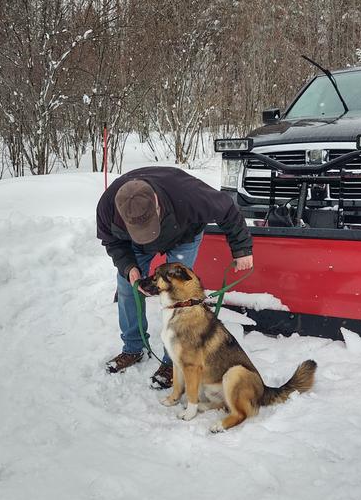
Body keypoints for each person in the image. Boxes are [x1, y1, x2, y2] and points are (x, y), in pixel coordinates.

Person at [96, 166, 253, 389]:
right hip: (135, 246)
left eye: (148, 223)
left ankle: (173, 361)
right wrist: (129, 267)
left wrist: (242, 249)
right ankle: (133, 348)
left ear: (157, 204)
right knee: (126, 287)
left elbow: (227, 209)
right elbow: (112, 242)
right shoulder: (107, 208)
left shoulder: (187, 194)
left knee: (179, 295)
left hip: (183, 236)